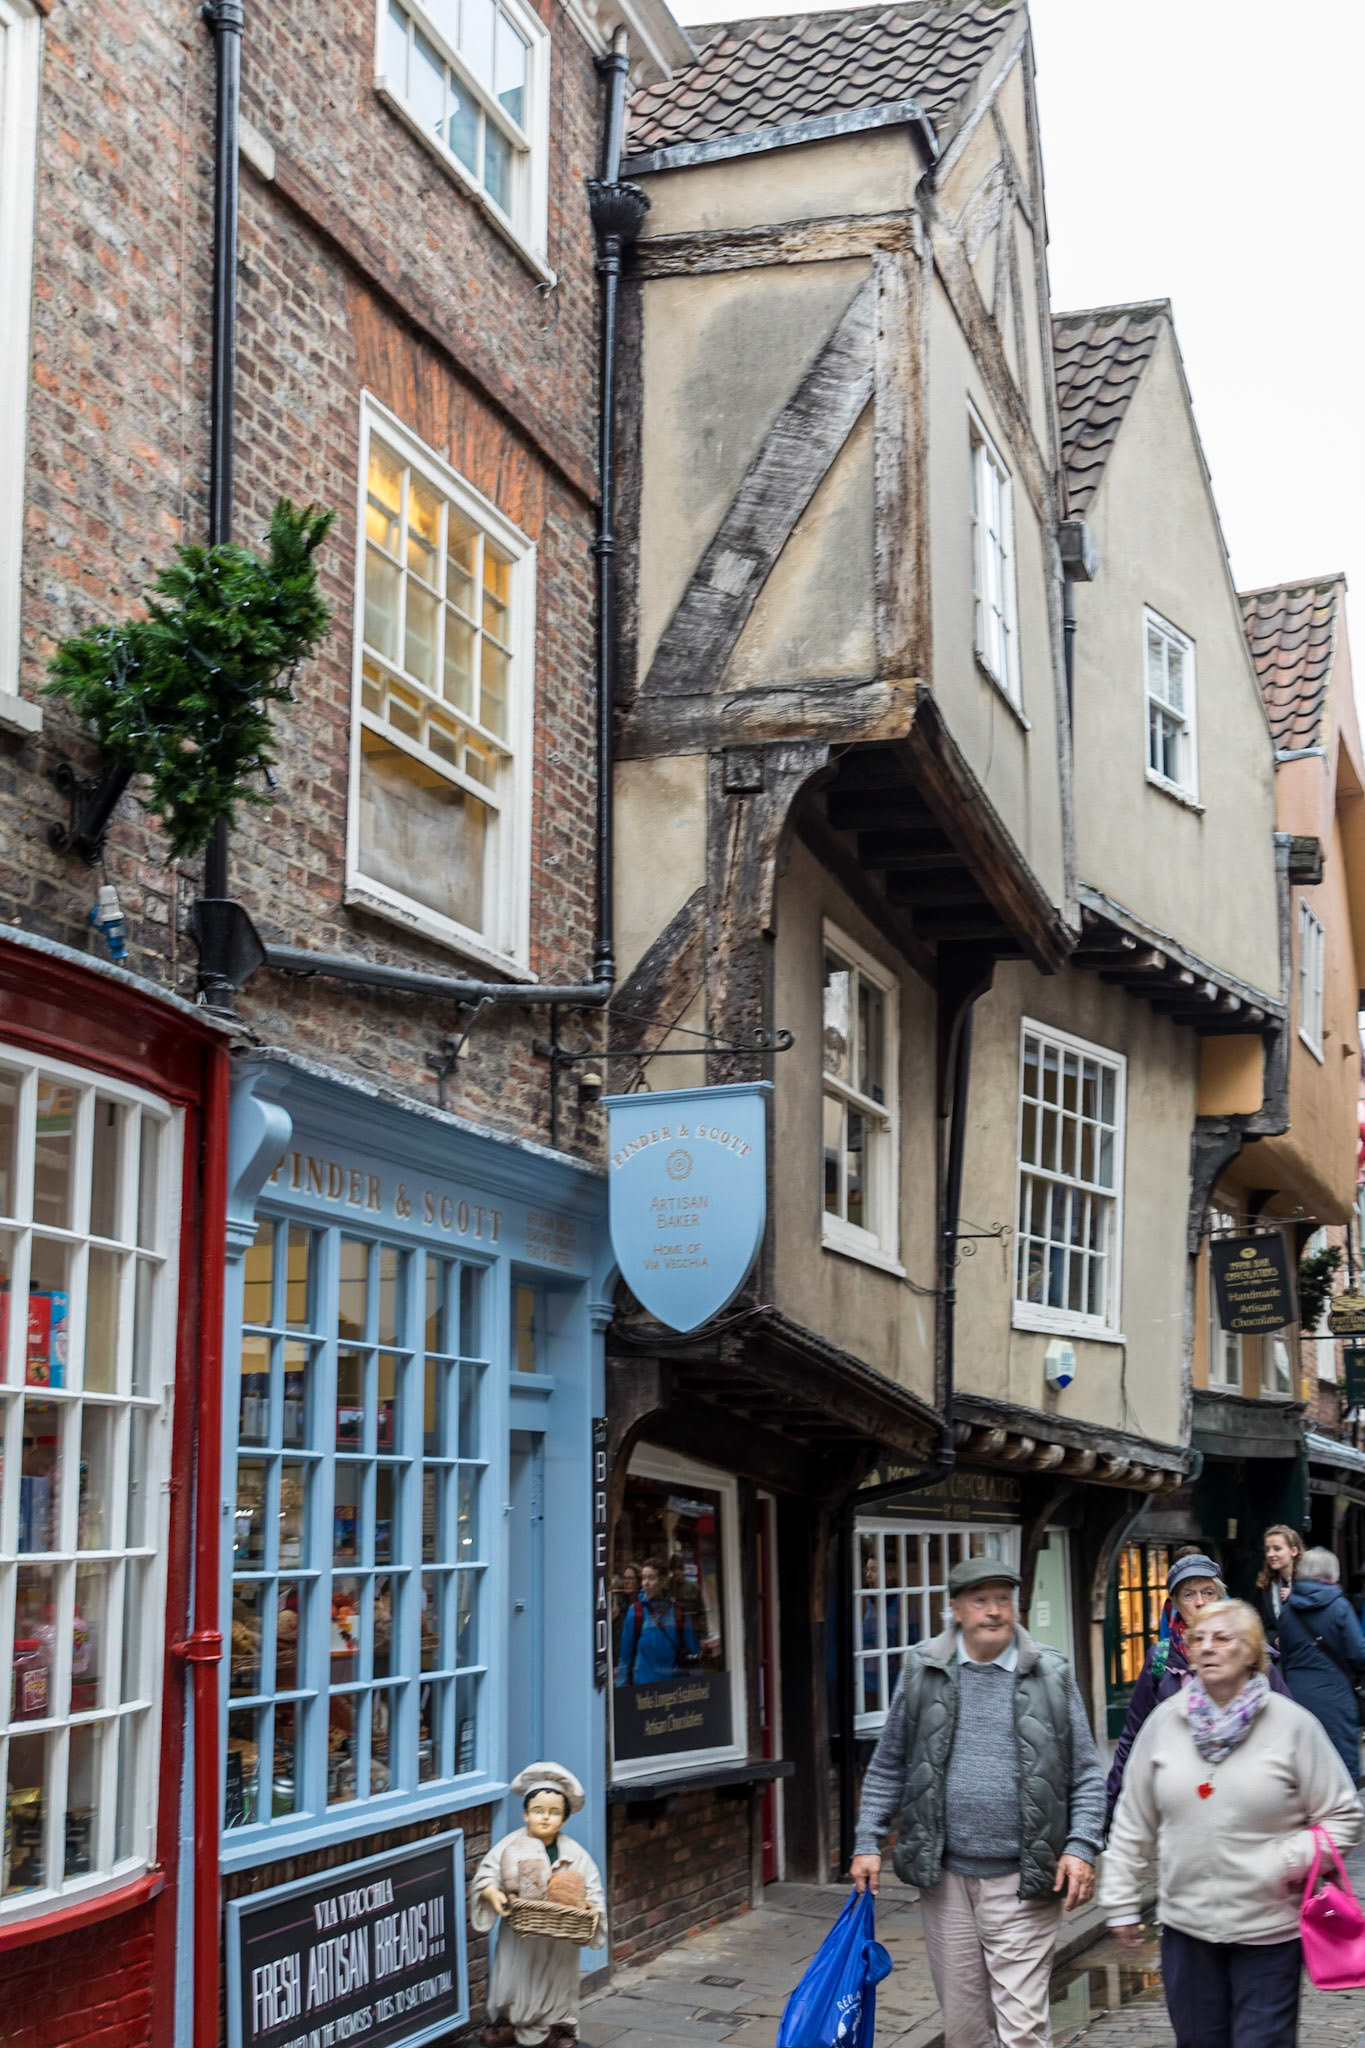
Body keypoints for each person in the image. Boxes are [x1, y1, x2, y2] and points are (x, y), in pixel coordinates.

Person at [850, 1558, 1104, 2048]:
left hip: (1025, 1878)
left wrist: (1081, 1846)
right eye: (980, 1601)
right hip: (946, 1881)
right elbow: (889, 1764)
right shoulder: (923, 1670)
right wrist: (867, 1840)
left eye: (1003, 1600)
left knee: (1022, 2029)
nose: (994, 1612)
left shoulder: (1051, 1673)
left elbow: (1088, 1773)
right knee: (965, 2032)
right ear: (956, 1610)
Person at [1100, 1600, 1361, 2048]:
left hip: (1269, 1932)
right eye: (1198, 1639)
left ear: (1251, 1653)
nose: (1207, 1648)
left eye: (1223, 1639)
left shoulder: (1292, 1726)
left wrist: (1285, 1861)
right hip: (1187, 1929)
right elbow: (1133, 1818)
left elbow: (1344, 1814)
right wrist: (1120, 1899)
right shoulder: (1165, 1724)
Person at [1104, 1553, 1289, 1826]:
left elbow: (1287, 1727)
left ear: (1221, 1599)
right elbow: (1133, 1737)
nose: (1200, 1602)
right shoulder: (1161, 1659)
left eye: (1208, 1592)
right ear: (1175, 1604)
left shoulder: (1251, 1654)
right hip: (1182, 1811)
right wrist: (1107, 1813)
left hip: (1248, 1804)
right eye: (1189, 1595)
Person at [472, 1761, 606, 2047]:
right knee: (511, 1975)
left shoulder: (576, 1855)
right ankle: (506, 2021)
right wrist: (491, 1892)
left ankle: (558, 2028)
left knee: (557, 1981)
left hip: (559, 1941)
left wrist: (591, 1910)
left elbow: (593, 1891)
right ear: (525, 1814)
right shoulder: (510, 1847)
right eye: (538, 1811)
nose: (545, 1818)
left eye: (554, 1812)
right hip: (519, 1934)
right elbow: (487, 1874)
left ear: (565, 1820)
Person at [1274, 1544, 1365, 1781]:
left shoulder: (1288, 1610)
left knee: (1302, 1766)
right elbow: (1358, 1654)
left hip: (1295, 1695)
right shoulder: (1339, 1606)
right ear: (1332, 1572)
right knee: (1340, 1767)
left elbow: (1285, 1652)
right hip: (1335, 1695)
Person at [614, 1556, 699, 1685]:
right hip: (644, 1692)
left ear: (663, 1581)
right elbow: (625, 1658)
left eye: (651, 1578)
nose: (645, 1583)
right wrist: (622, 1693)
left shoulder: (678, 1612)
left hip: (675, 1690)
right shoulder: (636, 1612)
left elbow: (693, 1653)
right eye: (643, 1578)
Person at [1255, 1524, 1304, 1641]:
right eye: (1267, 1549)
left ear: (1293, 1551)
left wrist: (1294, 1598)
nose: (1270, 1554)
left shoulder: (1310, 1581)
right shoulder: (1266, 1585)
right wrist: (1275, 1639)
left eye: (1277, 1549)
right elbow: (1262, 1625)